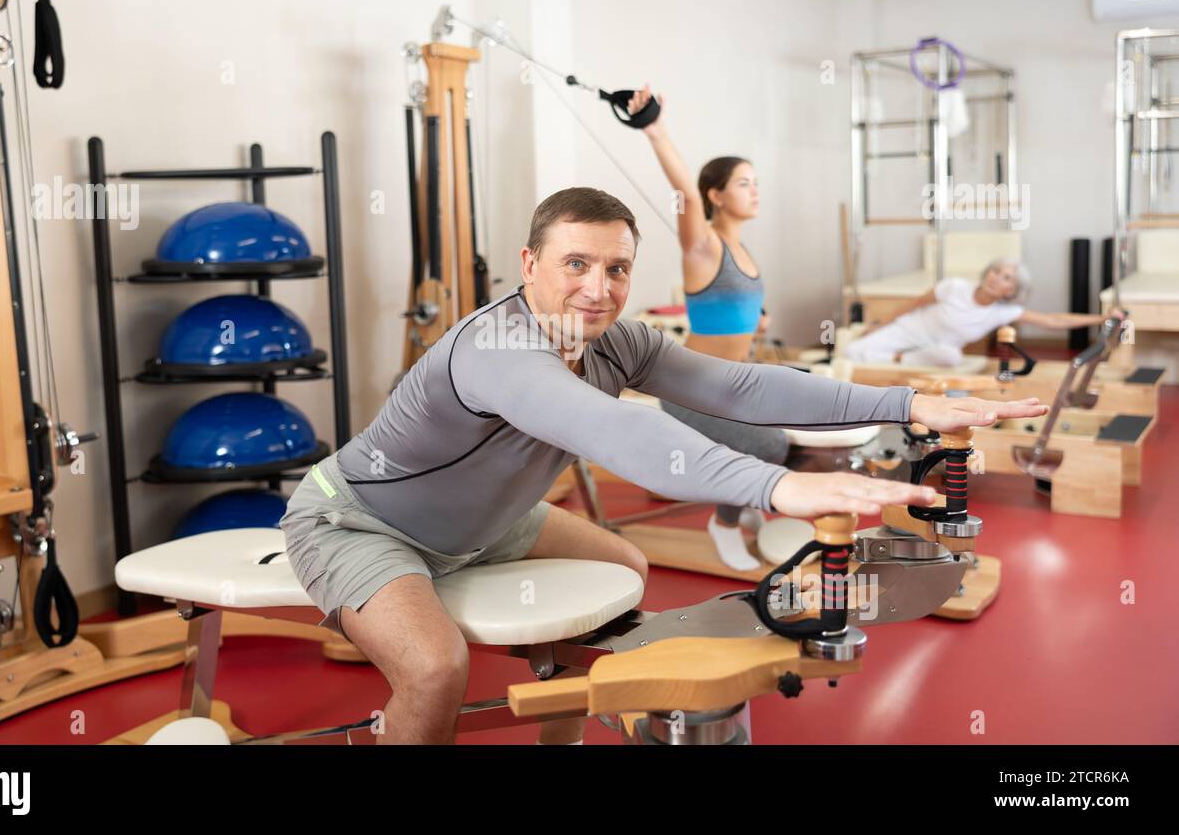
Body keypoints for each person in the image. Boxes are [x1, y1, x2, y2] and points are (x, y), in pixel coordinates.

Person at [280, 187, 1046, 745]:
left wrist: (908, 405)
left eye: (616, 268)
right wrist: (779, 484)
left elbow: (741, 385)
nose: (597, 286)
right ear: (529, 262)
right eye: (575, 262)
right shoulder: (497, 347)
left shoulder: (620, 342)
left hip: (491, 526)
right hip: (361, 522)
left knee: (620, 569)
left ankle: (564, 737)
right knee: (437, 667)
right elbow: (611, 430)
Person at [626, 85, 785, 569]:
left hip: (734, 382)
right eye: (743, 182)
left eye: (756, 181)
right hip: (691, 389)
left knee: (802, 419)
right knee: (770, 443)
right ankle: (725, 521)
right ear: (715, 194)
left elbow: (733, 311)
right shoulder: (705, 246)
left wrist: (756, 319)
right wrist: (655, 132)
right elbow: (685, 197)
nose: (754, 190)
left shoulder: (745, 253)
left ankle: (751, 504)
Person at [845, 258, 1125, 366]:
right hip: (908, 330)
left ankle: (896, 359)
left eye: (1006, 278)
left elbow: (1053, 320)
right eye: (995, 271)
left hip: (938, 349)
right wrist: (879, 326)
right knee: (850, 352)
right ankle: (893, 356)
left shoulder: (1003, 312)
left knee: (951, 357)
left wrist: (1102, 318)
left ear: (1011, 291)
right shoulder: (953, 287)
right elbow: (912, 304)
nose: (996, 278)